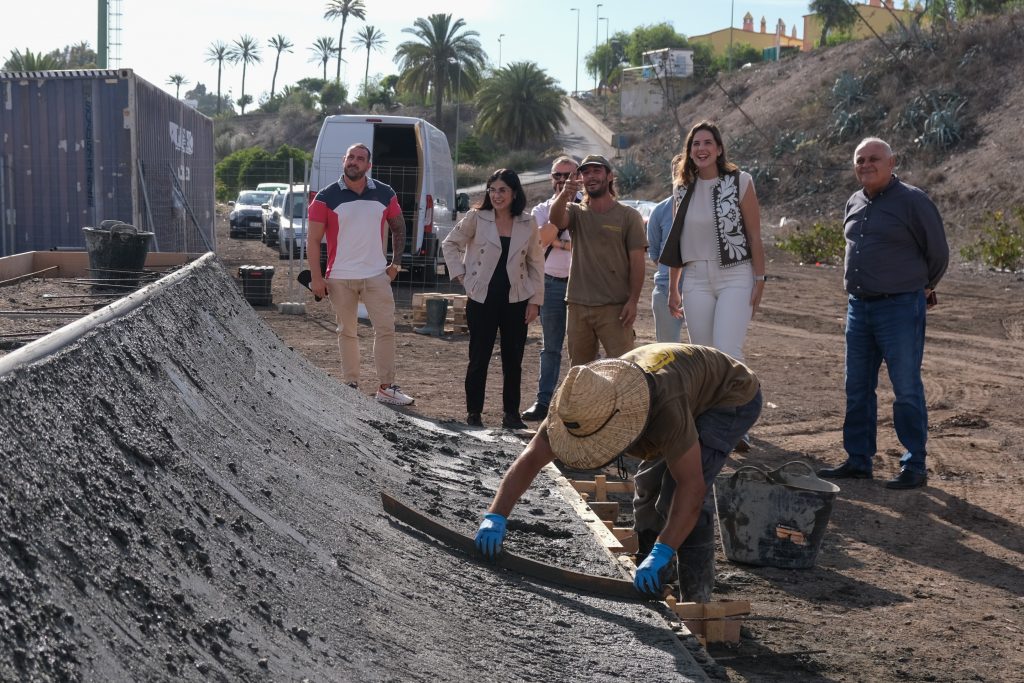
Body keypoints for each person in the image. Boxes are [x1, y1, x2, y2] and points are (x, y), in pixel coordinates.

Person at [474, 343, 762, 600]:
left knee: (678, 493)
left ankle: (695, 596)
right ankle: (654, 575)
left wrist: (663, 551)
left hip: (730, 395)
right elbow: (531, 457)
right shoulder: (579, 402)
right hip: (685, 387)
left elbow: (692, 487)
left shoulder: (666, 408)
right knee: (649, 486)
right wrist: (496, 515)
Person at [818, 137, 948, 490]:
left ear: (893, 163)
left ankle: (914, 465)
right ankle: (858, 460)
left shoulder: (913, 201)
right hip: (858, 308)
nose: (866, 164)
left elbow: (937, 251)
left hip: (900, 307)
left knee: (906, 387)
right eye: (860, 160)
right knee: (857, 387)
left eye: (874, 158)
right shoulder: (854, 201)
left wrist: (924, 285)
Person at [659, 121, 766, 450]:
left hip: (736, 274)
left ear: (719, 149)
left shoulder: (740, 182)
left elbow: (754, 234)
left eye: (708, 142)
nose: (701, 148)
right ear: (690, 152)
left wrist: (760, 278)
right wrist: (674, 286)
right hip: (695, 278)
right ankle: (709, 425)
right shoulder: (682, 189)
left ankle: (735, 426)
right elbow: (678, 240)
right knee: (703, 357)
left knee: (728, 353)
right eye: (695, 144)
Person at [307, 143, 414, 406]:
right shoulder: (324, 197)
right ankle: (351, 385)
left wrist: (395, 265)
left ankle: (386, 388)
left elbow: (399, 228)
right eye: (350, 157)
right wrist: (317, 278)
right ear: (344, 161)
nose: (354, 162)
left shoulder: (385, 193)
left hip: (377, 274)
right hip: (339, 276)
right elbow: (312, 241)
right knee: (347, 331)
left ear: (369, 165)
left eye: (360, 158)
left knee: (386, 329)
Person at [441, 169, 544, 430]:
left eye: (502, 190)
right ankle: (474, 413)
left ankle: (511, 415)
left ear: (514, 193)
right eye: (492, 190)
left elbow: (535, 261)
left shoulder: (527, 222)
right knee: (479, 357)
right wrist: (463, 277)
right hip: (482, 297)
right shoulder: (476, 217)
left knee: (514, 359)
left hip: (516, 298)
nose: (496, 196)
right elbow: (450, 244)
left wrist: (535, 301)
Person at [544, 154, 647, 367]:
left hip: (615, 308)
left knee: (624, 370)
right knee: (580, 372)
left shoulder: (628, 216)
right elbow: (555, 219)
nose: (591, 176)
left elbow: (638, 262)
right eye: (586, 172)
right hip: (578, 306)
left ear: (609, 176)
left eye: (597, 171)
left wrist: (633, 301)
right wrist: (565, 195)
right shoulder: (576, 212)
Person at [521, 155, 579, 422]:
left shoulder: (588, 208)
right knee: (551, 347)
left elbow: (580, 244)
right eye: (558, 175)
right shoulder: (541, 210)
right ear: (551, 178)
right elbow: (542, 239)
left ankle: (582, 404)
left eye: (569, 175)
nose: (563, 181)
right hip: (552, 284)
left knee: (582, 349)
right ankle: (544, 402)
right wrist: (562, 209)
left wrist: (559, 243)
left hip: (584, 286)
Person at [647, 154, 687, 343]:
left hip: (700, 288)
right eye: (676, 172)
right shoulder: (660, 211)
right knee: (668, 353)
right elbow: (655, 253)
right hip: (665, 290)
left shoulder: (705, 208)